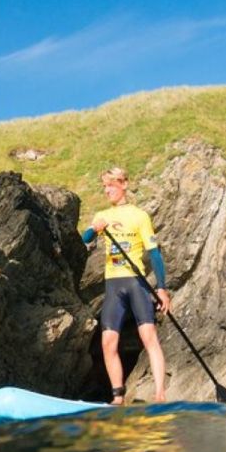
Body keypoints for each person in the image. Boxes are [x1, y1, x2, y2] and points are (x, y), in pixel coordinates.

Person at [81, 167, 171, 404]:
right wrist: (94, 229)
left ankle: (160, 394)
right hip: (113, 285)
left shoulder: (139, 215)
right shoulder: (101, 215)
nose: (107, 190)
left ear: (124, 185)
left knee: (148, 336)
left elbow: (154, 254)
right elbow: (84, 240)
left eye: (111, 184)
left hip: (136, 282)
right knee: (108, 342)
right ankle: (118, 397)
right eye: (104, 186)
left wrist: (161, 288)